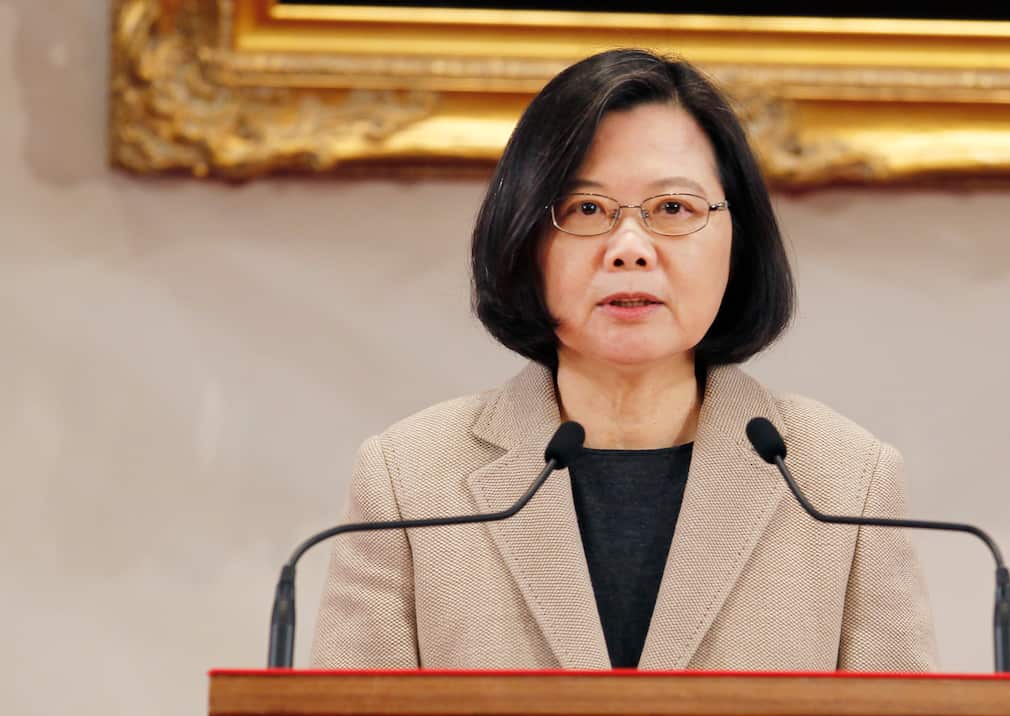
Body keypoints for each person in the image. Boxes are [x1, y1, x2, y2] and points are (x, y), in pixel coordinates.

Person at [311, 49, 937, 672]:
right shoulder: (410, 482)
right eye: (587, 209)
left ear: (737, 240)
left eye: (673, 208)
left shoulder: (843, 482)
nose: (629, 249)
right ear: (525, 236)